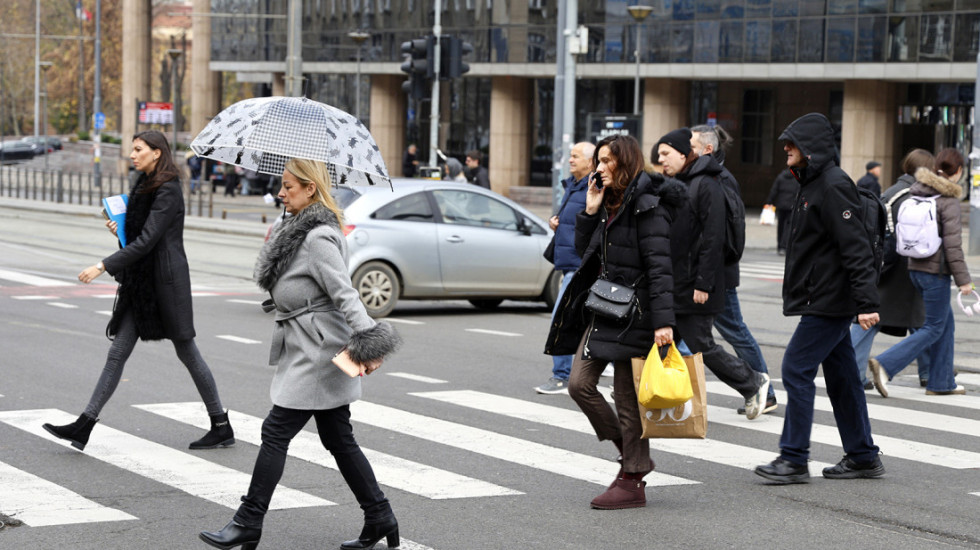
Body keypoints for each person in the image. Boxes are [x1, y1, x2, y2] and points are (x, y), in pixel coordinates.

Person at [200, 158, 403, 550]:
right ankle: (379, 515)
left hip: (320, 349)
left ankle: (248, 521)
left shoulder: (319, 237)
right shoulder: (293, 228)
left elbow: (344, 292)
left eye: (289, 187)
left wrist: (368, 341)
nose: (281, 192)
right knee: (339, 438)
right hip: (304, 341)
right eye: (281, 185)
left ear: (311, 189)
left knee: (275, 431)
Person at [42, 130, 234, 452]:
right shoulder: (144, 185)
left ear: (157, 152)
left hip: (166, 283)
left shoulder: (169, 188)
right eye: (133, 149)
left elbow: (147, 242)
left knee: (187, 351)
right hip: (141, 283)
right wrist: (121, 231)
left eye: (138, 149)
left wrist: (103, 265)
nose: (132, 155)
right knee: (117, 352)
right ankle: (84, 424)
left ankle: (220, 424)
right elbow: (137, 240)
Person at [545, 135, 685, 510]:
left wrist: (663, 323)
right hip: (604, 307)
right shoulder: (606, 201)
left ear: (624, 163)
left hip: (636, 314)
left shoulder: (646, 205)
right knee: (579, 384)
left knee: (627, 398)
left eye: (607, 162)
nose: (600, 168)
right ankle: (629, 451)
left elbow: (660, 267)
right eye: (599, 161)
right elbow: (584, 254)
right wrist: (589, 212)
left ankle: (633, 481)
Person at [755, 112, 883, 484]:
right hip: (824, 294)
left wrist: (866, 302)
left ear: (811, 147)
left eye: (792, 143)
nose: (785, 149)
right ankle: (862, 456)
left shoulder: (833, 184)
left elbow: (856, 246)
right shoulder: (811, 183)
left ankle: (794, 458)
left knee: (796, 368)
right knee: (842, 375)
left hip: (830, 299)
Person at [656, 127, 770, 420]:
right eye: (658, 156)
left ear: (686, 153)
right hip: (678, 281)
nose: (661, 160)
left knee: (702, 344)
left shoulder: (708, 182)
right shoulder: (680, 182)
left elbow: (713, 236)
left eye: (665, 154)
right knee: (659, 339)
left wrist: (704, 282)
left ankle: (754, 382)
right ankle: (643, 391)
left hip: (698, 282)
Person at [869, 148, 974, 397]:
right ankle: (886, 364)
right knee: (934, 327)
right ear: (958, 171)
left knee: (945, 325)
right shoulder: (947, 200)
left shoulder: (919, 192)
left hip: (915, 267)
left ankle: (941, 382)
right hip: (935, 272)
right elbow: (952, 245)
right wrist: (964, 281)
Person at [690, 125, 777, 415]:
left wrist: (712, 270)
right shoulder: (710, 176)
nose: (683, 152)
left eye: (689, 146)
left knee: (734, 331)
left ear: (707, 149)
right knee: (685, 332)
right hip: (711, 271)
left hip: (716, 273)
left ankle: (765, 389)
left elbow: (725, 232)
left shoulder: (718, 179)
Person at [850, 149, 934, 389]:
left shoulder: (890, 192)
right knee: (923, 320)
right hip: (904, 267)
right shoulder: (913, 194)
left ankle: (854, 372)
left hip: (883, 264)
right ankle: (930, 372)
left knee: (871, 321)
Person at [535, 141, 595, 395]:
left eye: (575, 156)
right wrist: (555, 222)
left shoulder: (593, 188)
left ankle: (561, 375)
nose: (570, 160)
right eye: (570, 156)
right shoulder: (573, 186)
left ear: (590, 162)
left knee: (561, 319)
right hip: (571, 264)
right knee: (590, 322)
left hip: (581, 267)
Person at [767, 168, 799, 255]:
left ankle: (779, 245)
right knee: (788, 226)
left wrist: (769, 202)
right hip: (791, 206)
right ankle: (784, 246)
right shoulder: (796, 179)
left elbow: (774, 190)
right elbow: (798, 192)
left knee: (780, 225)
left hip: (781, 205)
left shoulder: (780, 177)